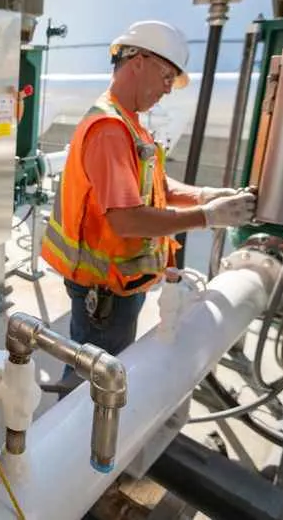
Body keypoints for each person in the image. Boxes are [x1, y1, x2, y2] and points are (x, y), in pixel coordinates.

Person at [40, 20, 256, 395]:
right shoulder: (109, 128)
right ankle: (79, 448)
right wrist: (207, 218)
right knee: (92, 391)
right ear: (137, 61)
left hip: (118, 287)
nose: (169, 89)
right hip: (104, 294)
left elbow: (156, 188)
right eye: (167, 75)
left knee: (96, 377)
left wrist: (206, 195)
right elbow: (126, 219)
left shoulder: (130, 124)